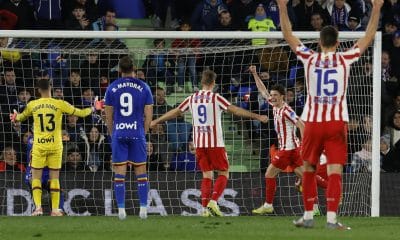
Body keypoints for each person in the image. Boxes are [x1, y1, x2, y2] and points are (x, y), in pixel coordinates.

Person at [276, 0, 383, 229]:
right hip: (336, 122)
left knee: (309, 168)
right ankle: (332, 220)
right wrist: (376, 8)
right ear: (337, 42)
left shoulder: (309, 58)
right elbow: (369, 36)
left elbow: (287, 34)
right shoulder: (345, 59)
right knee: (335, 170)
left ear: (319, 42)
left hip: (313, 123)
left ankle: (307, 216)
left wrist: (282, 6)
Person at [150, 70, 268, 217]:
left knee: (207, 175)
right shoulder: (216, 98)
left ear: (201, 82)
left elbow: (176, 111)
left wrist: (156, 120)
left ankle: (205, 209)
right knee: (224, 171)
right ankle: (213, 201)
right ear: (213, 83)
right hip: (215, 142)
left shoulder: (192, 98)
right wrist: (257, 116)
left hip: (199, 143)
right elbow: (235, 110)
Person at [9, 78, 98, 216]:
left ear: (38, 90)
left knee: (36, 178)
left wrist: (14, 117)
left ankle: (38, 208)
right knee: (54, 178)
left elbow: (20, 117)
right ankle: (55, 209)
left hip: (39, 146)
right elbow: (80, 113)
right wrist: (94, 107)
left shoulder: (33, 104)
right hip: (55, 146)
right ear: (50, 88)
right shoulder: (59, 103)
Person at [249, 65, 305, 215]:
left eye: (275, 95)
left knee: (269, 174)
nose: (271, 97)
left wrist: (305, 146)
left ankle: (268, 204)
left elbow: (301, 125)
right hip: (291, 150)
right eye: (271, 95)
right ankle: (333, 189)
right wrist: (255, 73)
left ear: (282, 97)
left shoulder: (287, 110)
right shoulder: (275, 106)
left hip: (288, 149)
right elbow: (262, 90)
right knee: (305, 176)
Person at [103, 56, 153, 220]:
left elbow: (108, 117)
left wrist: (113, 133)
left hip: (119, 133)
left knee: (119, 173)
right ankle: (143, 210)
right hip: (137, 132)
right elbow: (148, 115)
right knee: (141, 172)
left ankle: (122, 211)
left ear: (119, 70)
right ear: (134, 68)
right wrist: (142, 133)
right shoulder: (144, 87)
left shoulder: (111, 88)